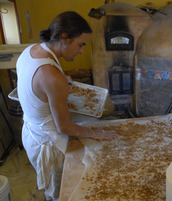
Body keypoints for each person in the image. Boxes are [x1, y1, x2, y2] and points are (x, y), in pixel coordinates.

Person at [16, 11, 118, 201]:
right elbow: (64, 127)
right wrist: (95, 133)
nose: (81, 51)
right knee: (62, 194)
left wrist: (60, 81)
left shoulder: (32, 51)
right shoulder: (52, 76)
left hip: (30, 132)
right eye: (80, 44)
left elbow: (36, 86)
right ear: (64, 38)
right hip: (48, 145)